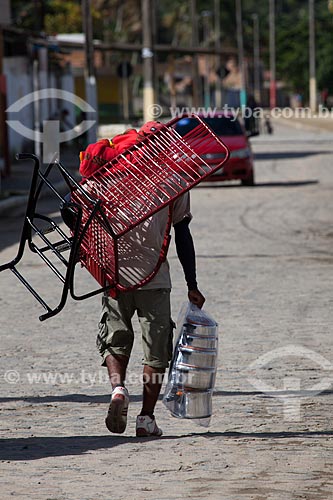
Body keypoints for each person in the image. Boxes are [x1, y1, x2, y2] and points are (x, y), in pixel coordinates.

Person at [66, 121, 205, 437]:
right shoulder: (173, 181)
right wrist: (192, 283)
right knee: (156, 349)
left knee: (115, 337)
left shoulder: (105, 178)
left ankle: (118, 390)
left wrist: (83, 251)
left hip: (114, 274)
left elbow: (72, 210)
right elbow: (182, 232)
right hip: (154, 277)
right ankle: (146, 418)